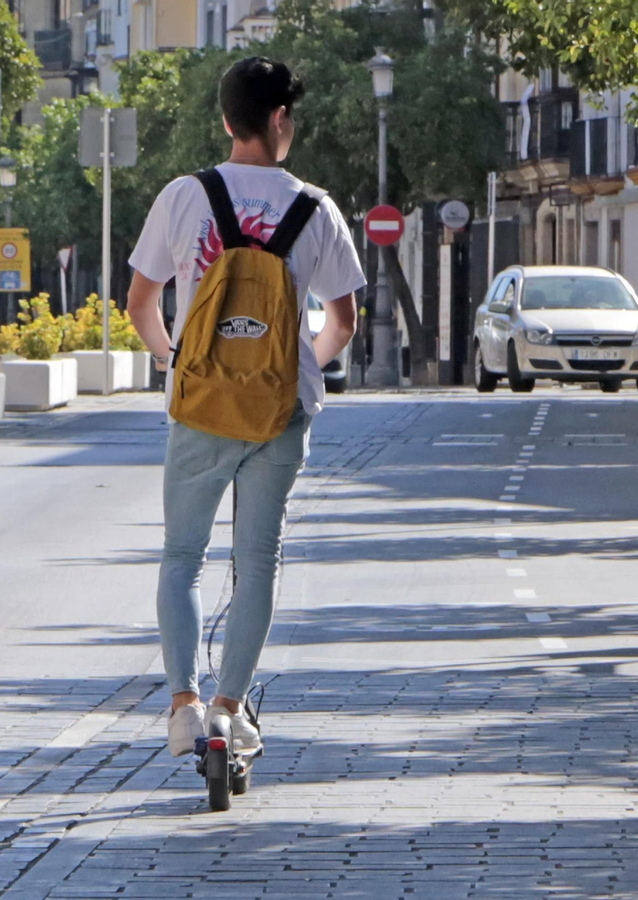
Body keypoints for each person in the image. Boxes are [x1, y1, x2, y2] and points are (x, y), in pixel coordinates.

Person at [126, 56, 364, 757]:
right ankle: (231, 709)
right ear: (280, 120)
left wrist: (179, 366)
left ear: (227, 120)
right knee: (256, 559)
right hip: (279, 414)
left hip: (199, 406)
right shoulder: (314, 208)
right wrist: (294, 374)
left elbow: (141, 302)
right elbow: (342, 321)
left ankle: (183, 705)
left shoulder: (184, 195)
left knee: (181, 557)